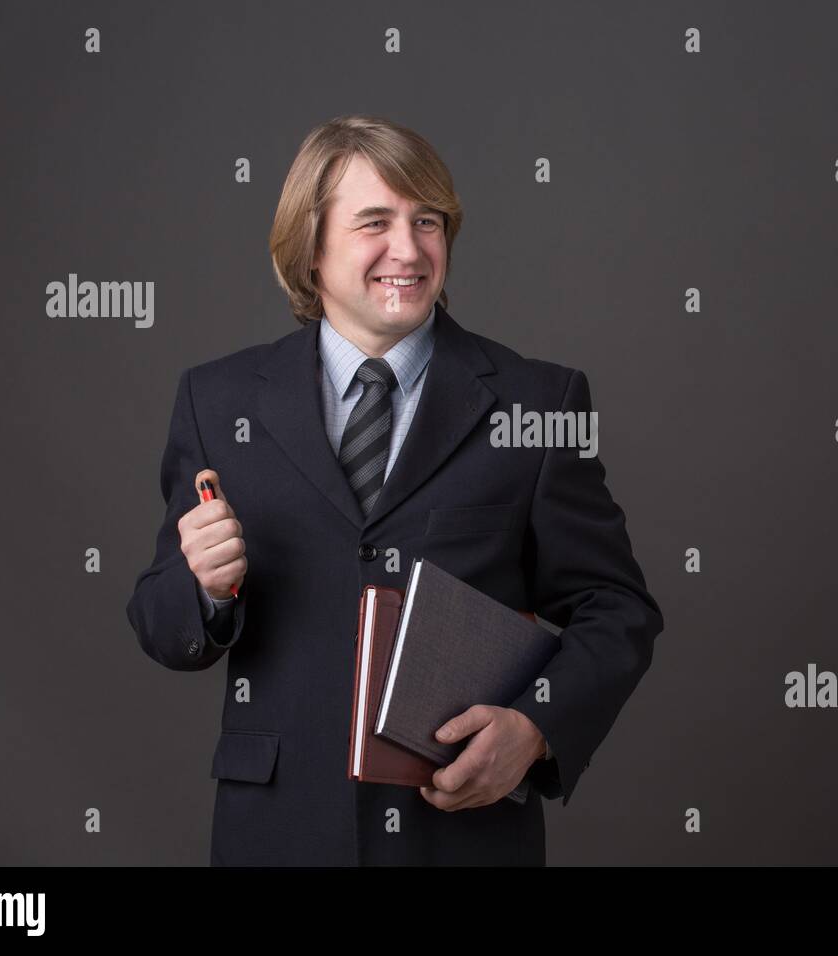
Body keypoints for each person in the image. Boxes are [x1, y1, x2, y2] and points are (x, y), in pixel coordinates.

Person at [125, 115, 664, 865]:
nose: (408, 250)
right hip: (277, 835)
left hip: (462, 834)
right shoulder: (218, 403)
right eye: (374, 222)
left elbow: (617, 608)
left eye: (428, 222)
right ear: (309, 247)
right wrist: (205, 588)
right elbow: (160, 624)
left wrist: (534, 728)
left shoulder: (538, 404)